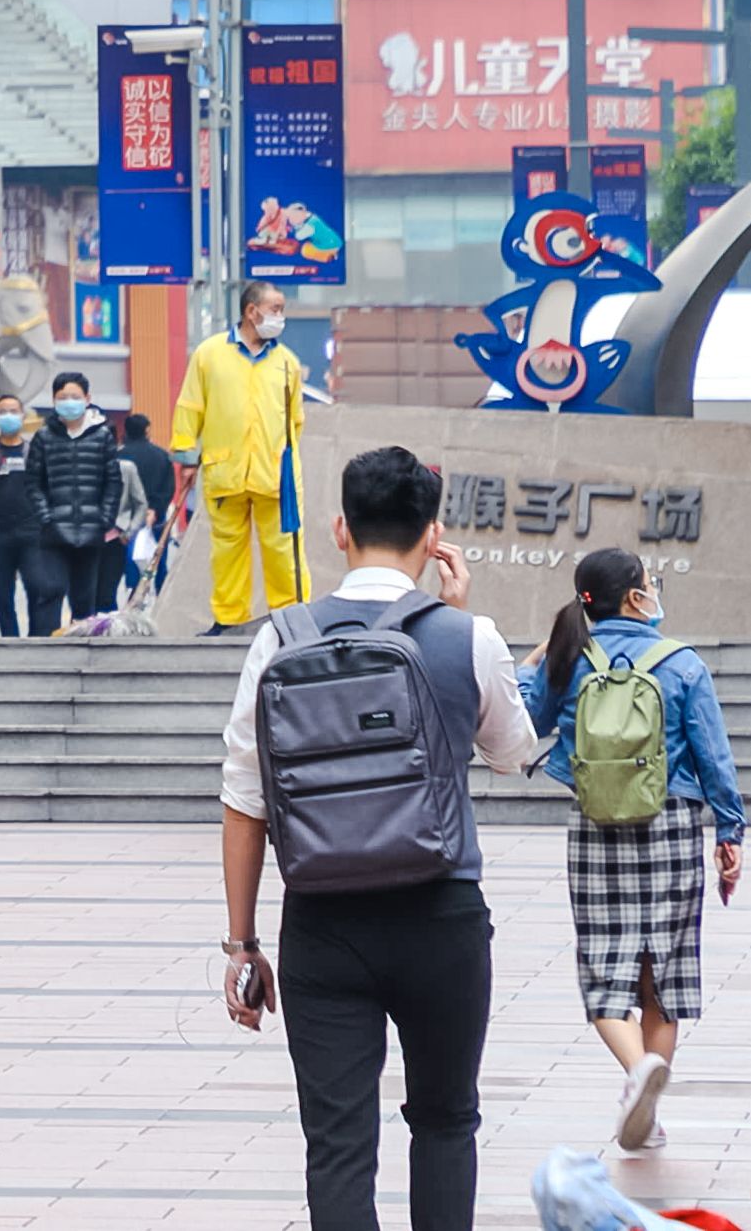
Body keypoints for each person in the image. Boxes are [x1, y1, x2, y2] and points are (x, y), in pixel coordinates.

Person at [218, 445, 542, 1231]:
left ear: (338, 529)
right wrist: (460, 614)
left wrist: (241, 944)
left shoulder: (279, 641)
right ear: (432, 537)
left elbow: (244, 797)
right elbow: (513, 754)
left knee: (335, 1143)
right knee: (442, 1120)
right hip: (440, 918)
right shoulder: (468, 636)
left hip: (324, 927)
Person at [520, 546, 745, 1156]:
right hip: (670, 824)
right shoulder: (680, 663)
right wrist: (730, 830)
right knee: (663, 975)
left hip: (594, 828)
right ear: (634, 597)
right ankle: (649, 1082)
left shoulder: (570, 658)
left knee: (602, 968)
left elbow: (525, 718)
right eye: (650, 583)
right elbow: (713, 756)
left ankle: (635, 1075)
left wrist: (535, 660)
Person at [176, 278, 310, 634]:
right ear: (252, 311)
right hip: (225, 469)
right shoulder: (209, 354)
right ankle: (229, 620)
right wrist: (188, 457)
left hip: (275, 474)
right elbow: (190, 406)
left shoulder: (287, 363)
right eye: (275, 309)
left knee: (284, 550)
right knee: (227, 551)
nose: (281, 317)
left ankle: (291, 619)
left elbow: (296, 420)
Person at [27, 375, 121, 634]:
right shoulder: (44, 437)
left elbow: (113, 482)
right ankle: (45, 653)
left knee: (84, 600)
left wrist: (104, 519)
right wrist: (46, 517)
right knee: (50, 590)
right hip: (53, 532)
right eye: (63, 397)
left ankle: (79, 653)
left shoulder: (102, 436)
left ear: (88, 399)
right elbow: (33, 483)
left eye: (75, 397)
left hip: (90, 531)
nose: (69, 402)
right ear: (54, 401)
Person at [0, 394, 45, 640]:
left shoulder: (34, 452)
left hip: (31, 532)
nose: (8, 416)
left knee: (36, 587)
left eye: (13, 411)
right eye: (3, 411)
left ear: (23, 415)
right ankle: (10, 641)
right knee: (3, 595)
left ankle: (36, 639)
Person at [120, 407, 180, 602]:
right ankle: (162, 598)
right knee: (157, 559)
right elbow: (169, 487)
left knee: (131, 560)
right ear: (147, 430)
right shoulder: (161, 456)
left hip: (125, 520)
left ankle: (134, 598)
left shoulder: (118, 457)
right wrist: (155, 508)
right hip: (155, 518)